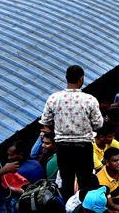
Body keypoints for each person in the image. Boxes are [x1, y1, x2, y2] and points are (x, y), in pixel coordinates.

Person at [40, 65, 104, 200]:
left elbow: (46, 121)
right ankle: (85, 210)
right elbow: (98, 124)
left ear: (66, 78)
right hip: (83, 147)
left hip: (63, 148)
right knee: (85, 182)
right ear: (81, 79)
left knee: (66, 181)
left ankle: (68, 210)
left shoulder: (54, 98)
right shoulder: (89, 100)